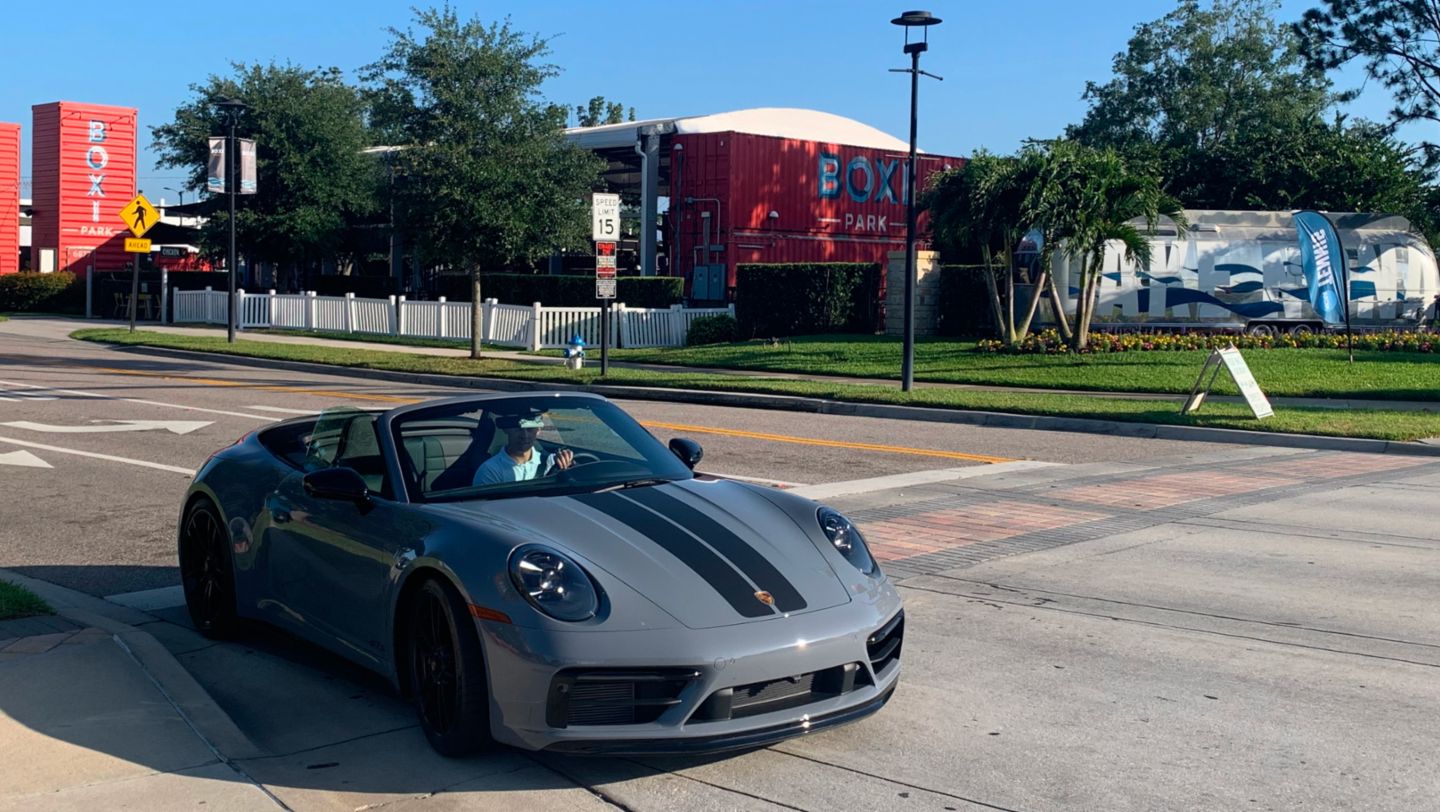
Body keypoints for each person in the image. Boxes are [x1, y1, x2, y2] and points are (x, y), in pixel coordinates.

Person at [472, 409, 574, 485]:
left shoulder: (552, 462)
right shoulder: (490, 471)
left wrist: (568, 462)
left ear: (538, 430)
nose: (525, 435)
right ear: (506, 430)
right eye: (518, 429)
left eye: (530, 429)